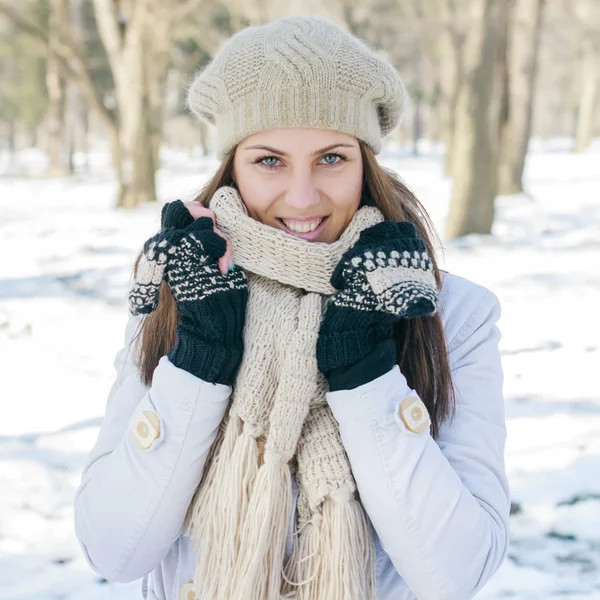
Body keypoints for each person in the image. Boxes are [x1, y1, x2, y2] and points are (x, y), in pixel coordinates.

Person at [74, 15, 510, 600]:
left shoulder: (450, 315)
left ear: (366, 164)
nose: (302, 197)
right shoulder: (184, 290)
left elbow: (454, 573)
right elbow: (116, 548)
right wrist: (200, 360)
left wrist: (366, 372)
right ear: (232, 164)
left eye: (331, 158)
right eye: (269, 160)